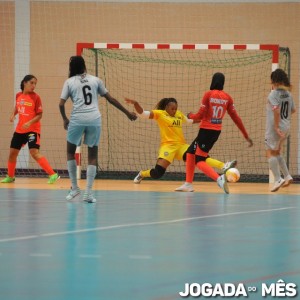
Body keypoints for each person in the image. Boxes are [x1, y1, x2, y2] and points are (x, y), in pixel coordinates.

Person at [59, 56, 137, 203]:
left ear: (71, 68)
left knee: (70, 151)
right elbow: (111, 99)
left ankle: (75, 189)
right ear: (84, 66)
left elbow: (61, 104)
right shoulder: (95, 80)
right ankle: (88, 193)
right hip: (94, 119)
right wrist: (127, 113)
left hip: (77, 119)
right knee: (93, 155)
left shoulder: (69, 82)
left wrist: (64, 119)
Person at [125, 97, 234, 188]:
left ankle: (224, 166)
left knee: (198, 157)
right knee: (158, 173)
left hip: (181, 146)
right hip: (168, 147)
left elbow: (190, 121)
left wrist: (206, 119)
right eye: (172, 108)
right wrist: (135, 103)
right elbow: (143, 113)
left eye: (176, 109)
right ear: (166, 107)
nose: (174, 111)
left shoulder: (178, 114)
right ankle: (142, 173)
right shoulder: (160, 114)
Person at [175, 72, 253, 194]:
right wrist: (246, 135)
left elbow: (200, 116)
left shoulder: (208, 95)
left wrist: (190, 116)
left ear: (213, 81)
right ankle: (188, 184)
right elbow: (236, 118)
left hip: (205, 131)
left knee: (199, 160)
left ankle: (219, 178)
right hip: (215, 132)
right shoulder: (228, 98)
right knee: (190, 153)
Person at [1, 75, 60, 184]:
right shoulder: (18, 95)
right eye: (32, 83)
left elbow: (40, 115)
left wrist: (29, 122)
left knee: (34, 152)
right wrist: (12, 114)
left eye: (35, 84)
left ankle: (53, 174)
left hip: (33, 129)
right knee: (12, 153)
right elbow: (17, 106)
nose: (34, 86)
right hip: (20, 130)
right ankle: (10, 176)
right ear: (25, 83)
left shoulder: (36, 97)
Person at [265, 68, 295, 192]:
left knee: (269, 153)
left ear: (275, 81)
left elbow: (276, 110)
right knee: (277, 152)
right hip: (286, 125)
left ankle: (278, 179)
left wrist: (276, 127)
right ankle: (287, 176)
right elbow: (293, 110)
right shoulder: (289, 94)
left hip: (275, 128)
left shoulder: (273, 94)